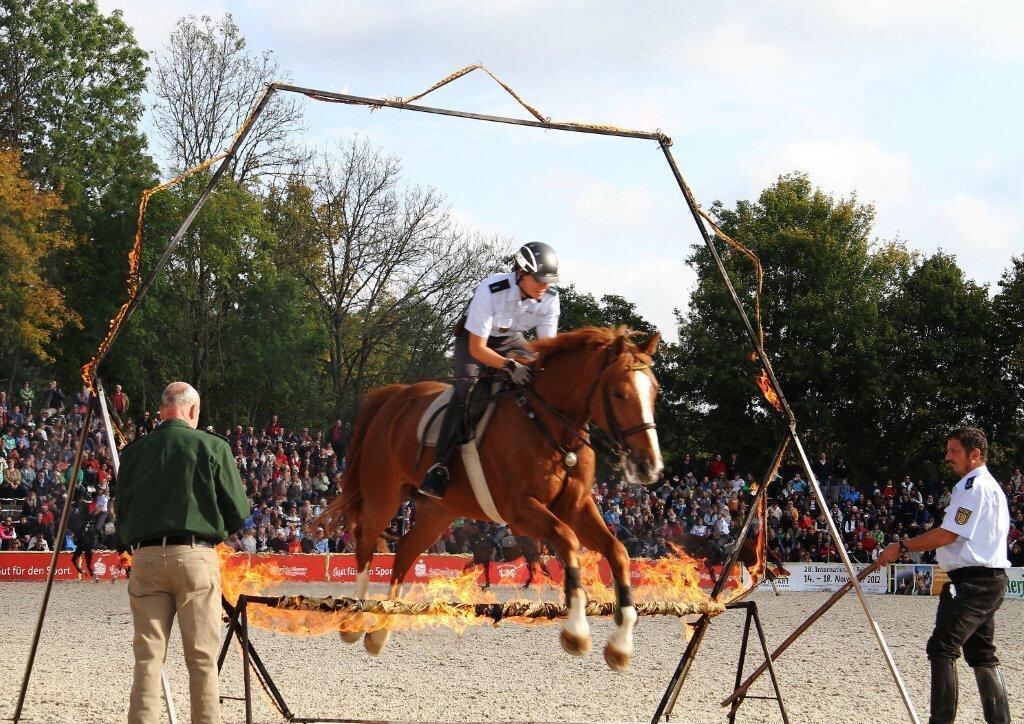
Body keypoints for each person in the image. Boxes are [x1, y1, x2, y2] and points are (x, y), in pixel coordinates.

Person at [115, 382, 250, 724]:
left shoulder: (134, 452)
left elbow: (122, 513)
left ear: (163, 410)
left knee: (148, 658)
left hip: (145, 557)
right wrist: (215, 527)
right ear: (192, 411)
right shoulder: (211, 445)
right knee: (202, 658)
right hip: (194, 555)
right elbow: (237, 509)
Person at [877, 427, 1010, 723]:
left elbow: (949, 534)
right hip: (982, 580)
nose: (947, 457)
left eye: (954, 451)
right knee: (982, 655)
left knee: (942, 647)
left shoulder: (975, 487)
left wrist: (901, 546)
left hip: (975, 582)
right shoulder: (981, 485)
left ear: (974, 455)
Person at [419, 241, 560, 499]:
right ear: (521, 273)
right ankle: (439, 466)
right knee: (468, 392)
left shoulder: (550, 299)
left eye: (549, 281)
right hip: (475, 342)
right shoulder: (491, 288)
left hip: (513, 341)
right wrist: (509, 366)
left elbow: (546, 350)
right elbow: (478, 348)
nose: (545, 286)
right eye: (540, 280)